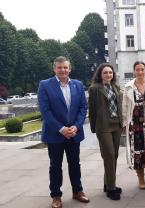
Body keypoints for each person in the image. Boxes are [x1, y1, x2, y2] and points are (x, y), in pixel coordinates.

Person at [37, 56, 89, 208]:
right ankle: (56, 196)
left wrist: (76, 127)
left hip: (74, 133)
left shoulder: (78, 85)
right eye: (60, 67)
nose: (63, 70)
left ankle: (77, 191)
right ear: (54, 69)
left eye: (65, 67)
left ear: (70, 69)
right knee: (55, 166)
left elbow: (82, 108)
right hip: (55, 134)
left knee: (75, 164)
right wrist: (61, 129)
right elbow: (45, 111)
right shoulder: (45, 85)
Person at [88, 63, 123, 200]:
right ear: (100, 74)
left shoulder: (116, 87)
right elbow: (92, 109)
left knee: (114, 156)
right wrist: (93, 126)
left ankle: (108, 183)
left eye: (110, 72)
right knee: (108, 155)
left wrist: (122, 122)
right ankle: (111, 189)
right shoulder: (95, 89)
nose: (108, 75)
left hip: (116, 125)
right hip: (103, 126)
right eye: (105, 73)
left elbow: (119, 106)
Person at [122, 61, 145, 191]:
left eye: (142, 69)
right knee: (137, 152)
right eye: (137, 69)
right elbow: (125, 107)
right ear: (134, 71)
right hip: (135, 124)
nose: (140, 72)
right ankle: (141, 178)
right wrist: (125, 123)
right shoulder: (128, 86)